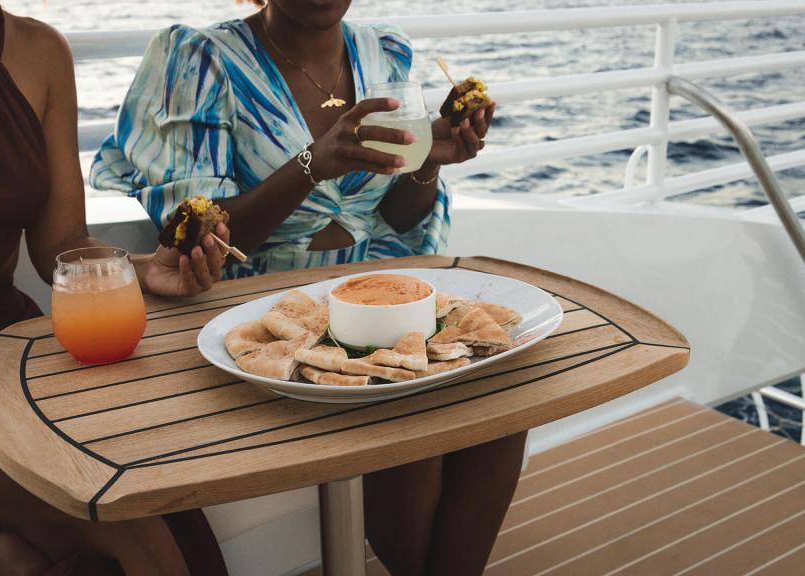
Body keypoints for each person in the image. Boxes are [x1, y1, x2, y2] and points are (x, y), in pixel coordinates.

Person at [90, 1, 526, 574]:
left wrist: (430, 162)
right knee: (411, 414)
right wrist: (310, 165)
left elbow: (398, 220)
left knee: (501, 404)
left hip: (371, 297)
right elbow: (193, 232)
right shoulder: (200, 59)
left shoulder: (383, 51)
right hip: (266, 316)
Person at [0, 1, 231, 574]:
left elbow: (61, 243)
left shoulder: (38, 51)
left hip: (6, 362)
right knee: (93, 491)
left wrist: (142, 267)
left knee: (5, 552)